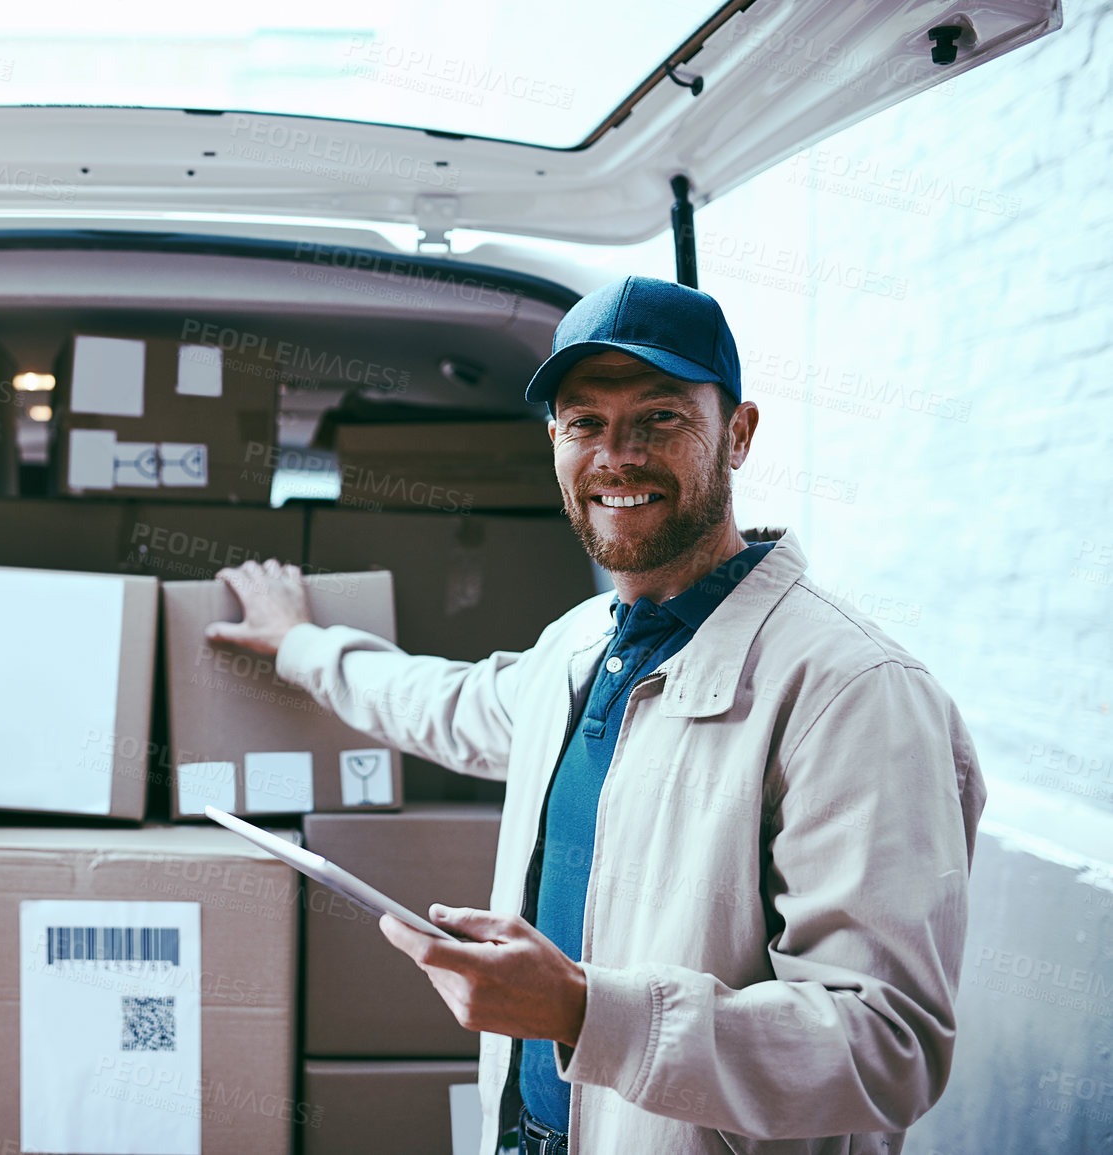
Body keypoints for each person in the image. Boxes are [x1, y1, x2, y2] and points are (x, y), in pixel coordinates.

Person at [206, 276, 985, 1155]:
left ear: (737, 434)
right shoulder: (582, 644)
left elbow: (887, 1049)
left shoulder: (851, 690)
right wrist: (301, 644)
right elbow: (451, 705)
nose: (616, 456)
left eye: (659, 417)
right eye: (585, 423)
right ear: (554, 442)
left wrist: (582, 1010)